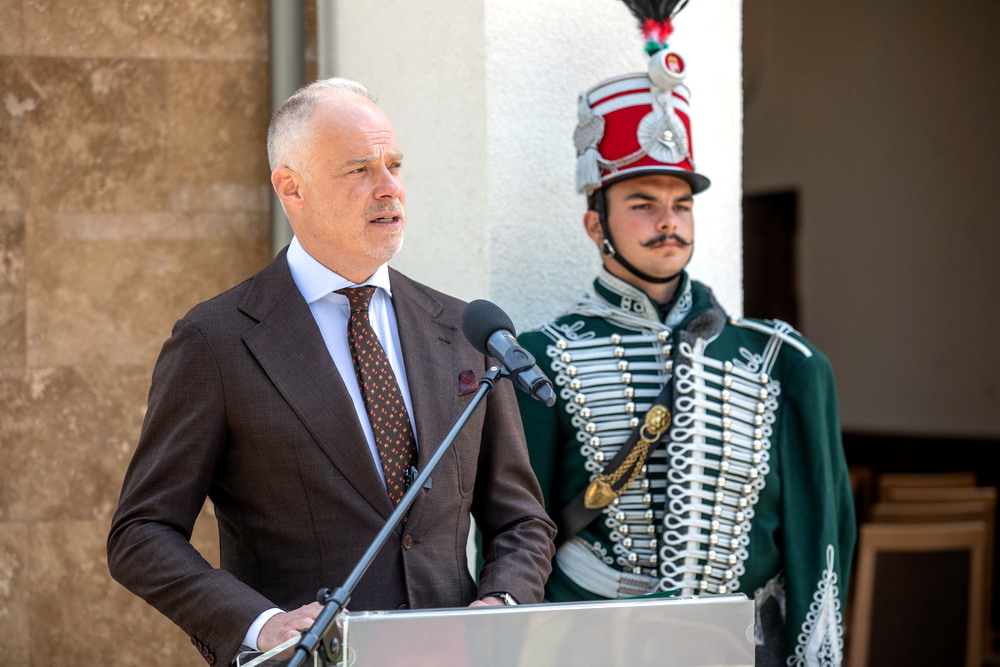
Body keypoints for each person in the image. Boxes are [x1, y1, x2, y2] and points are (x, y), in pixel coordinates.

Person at [108, 78, 556, 667]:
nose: (389, 188)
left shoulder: (464, 329)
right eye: (359, 170)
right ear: (291, 188)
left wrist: (501, 602)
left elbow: (521, 518)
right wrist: (262, 625)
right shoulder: (216, 340)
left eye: (394, 165)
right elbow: (141, 534)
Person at [514, 4, 855, 665]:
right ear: (597, 225)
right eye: (642, 203)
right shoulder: (541, 358)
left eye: (682, 203)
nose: (668, 221)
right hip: (590, 645)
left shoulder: (781, 361)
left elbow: (820, 538)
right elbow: (519, 530)